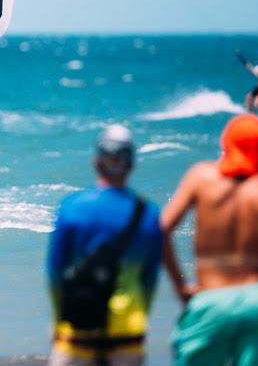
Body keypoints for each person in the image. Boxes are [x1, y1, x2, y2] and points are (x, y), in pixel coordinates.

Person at [161, 113, 258, 366]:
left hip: (213, 297)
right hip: (257, 299)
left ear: (226, 142)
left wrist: (180, 287)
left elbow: (162, 229)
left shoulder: (200, 177)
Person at [47, 125, 163, 366]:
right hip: (128, 330)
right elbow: (149, 281)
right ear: (131, 165)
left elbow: (55, 273)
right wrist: (140, 317)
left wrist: (61, 320)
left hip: (78, 327)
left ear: (96, 162)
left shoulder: (72, 207)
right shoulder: (149, 215)